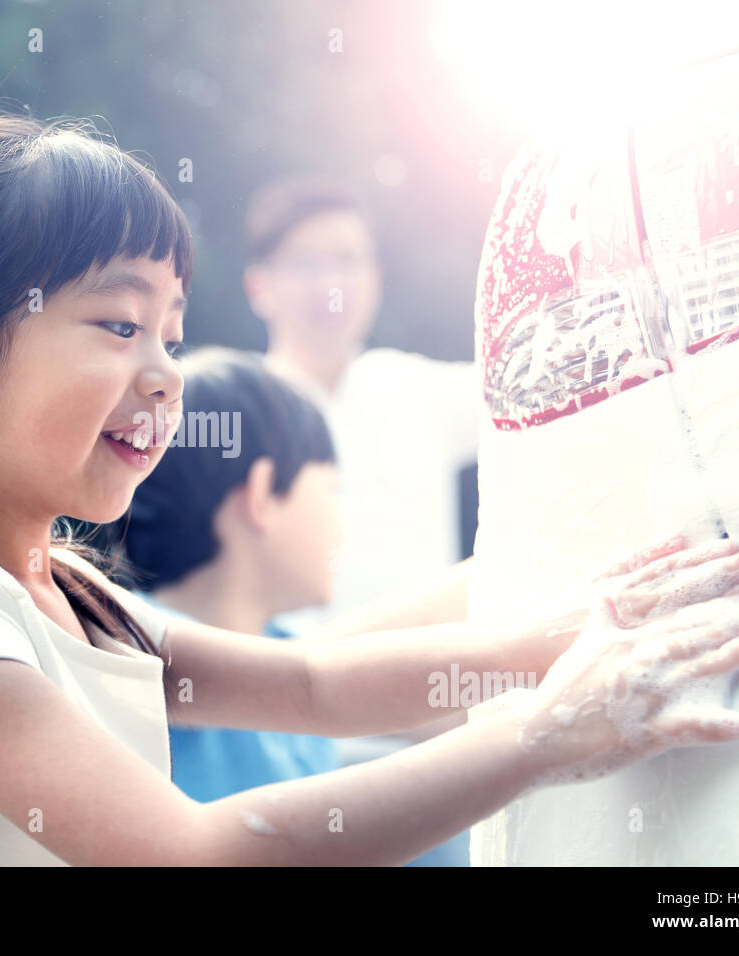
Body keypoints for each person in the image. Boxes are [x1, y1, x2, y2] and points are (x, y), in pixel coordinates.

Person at [0, 107, 739, 866]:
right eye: (120, 324)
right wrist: (546, 737)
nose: (166, 372)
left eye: (171, 332)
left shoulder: (72, 596)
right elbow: (198, 853)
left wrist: (594, 622)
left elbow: (316, 683)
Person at [242, 175, 485, 863]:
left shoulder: (413, 388)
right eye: (306, 262)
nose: (331, 283)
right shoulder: (232, 413)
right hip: (299, 768)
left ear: (374, 277)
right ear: (260, 284)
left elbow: (550, 380)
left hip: (443, 764)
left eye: (348, 259)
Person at [115, 347, 342, 803]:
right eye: (333, 491)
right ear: (262, 493)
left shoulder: (284, 647)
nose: (342, 522)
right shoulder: (133, 649)